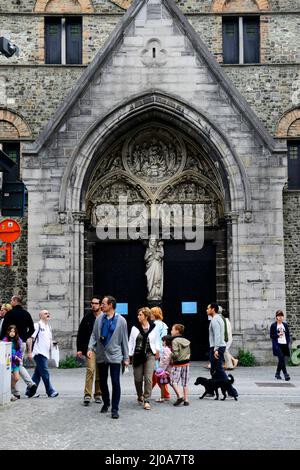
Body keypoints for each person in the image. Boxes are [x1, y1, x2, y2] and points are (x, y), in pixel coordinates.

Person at [87, 295, 129, 419]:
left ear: (110, 305)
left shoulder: (121, 321)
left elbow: (124, 340)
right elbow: (94, 335)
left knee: (115, 382)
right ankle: (106, 403)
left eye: (104, 304)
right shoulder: (99, 319)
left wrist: (126, 357)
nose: (101, 306)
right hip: (101, 354)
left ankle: (115, 409)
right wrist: (90, 348)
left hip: (115, 355)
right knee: (103, 382)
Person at [0, 295, 37, 398]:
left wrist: (3, 341)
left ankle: (15, 392)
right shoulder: (26, 314)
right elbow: (32, 329)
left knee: (12, 366)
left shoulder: (10, 314)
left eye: (12, 300)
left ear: (15, 301)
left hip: (10, 343)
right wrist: (25, 337)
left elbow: (4, 330)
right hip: (22, 343)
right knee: (18, 364)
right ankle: (27, 386)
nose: (11, 302)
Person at [129, 307, 160, 410]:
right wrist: (129, 355)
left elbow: (157, 340)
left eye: (140, 315)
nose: (138, 316)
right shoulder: (135, 328)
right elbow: (131, 342)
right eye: (138, 315)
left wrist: (157, 351)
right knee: (138, 379)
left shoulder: (153, 327)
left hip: (149, 355)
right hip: (137, 355)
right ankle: (139, 395)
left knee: (148, 378)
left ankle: (146, 399)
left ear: (146, 316)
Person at [77, 296, 102, 406]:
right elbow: (81, 333)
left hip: (102, 349)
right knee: (90, 370)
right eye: (92, 303)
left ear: (100, 305)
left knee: (100, 372)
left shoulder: (104, 317)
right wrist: (79, 349)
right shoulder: (87, 317)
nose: (93, 305)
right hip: (90, 349)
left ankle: (98, 394)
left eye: (96, 303)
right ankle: (87, 394)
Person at [27, 309, 59, 398]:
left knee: (37, 374)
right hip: (38, 353)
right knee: (45, 373)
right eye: (45, 313)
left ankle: (29, 392)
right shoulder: (37, 325)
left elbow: (48, 340)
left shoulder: (48, 327)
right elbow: (30, 338)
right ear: (40, 316)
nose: (48, 314)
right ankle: (50, 391)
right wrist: (29, 352)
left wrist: (53, 343)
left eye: (48, 313)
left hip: (45, 353)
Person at [150, 306, 170, 399]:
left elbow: (156, 339)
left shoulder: (155, 325)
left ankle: (147, 393)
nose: (150, 315)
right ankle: (165, 394)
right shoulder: (163, 325)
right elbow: (163, 340)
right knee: (159, 373)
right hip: (162, 351)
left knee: (155, 374)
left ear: (154, 314)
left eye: (151, 313)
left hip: (156, 352)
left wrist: (156, 351)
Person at [170, 324, 191, 406]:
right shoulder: (186, 341)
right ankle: (186, 400)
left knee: (173, 381)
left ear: (177, 331)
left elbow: (175, 354)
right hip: (186, 363)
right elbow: (189, 352)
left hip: (177, 364)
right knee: (185, 382)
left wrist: (170, 355)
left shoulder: (174, 341)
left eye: (172, 329)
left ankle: (180, 396)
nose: (171, 331)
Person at [2, 325, 23, 402]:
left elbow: (20, 351)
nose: (12, 333)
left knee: (16, 378)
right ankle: (9, 393)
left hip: (16, 363)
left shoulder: (18, 340)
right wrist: (15, 357)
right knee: (10, 378)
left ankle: (9, 391)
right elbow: (7, 352)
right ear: (8, 332)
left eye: (14, 331)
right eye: (11, 331)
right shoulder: (5, 340)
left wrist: (19, 357)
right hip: (8, 363)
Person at [270, 310, 291, 381]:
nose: (280, 317)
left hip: (284, 344)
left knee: (281, 360)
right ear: (276, 317)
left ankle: (277, 373)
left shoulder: (285, 325)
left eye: (281, 316)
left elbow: (287, 334)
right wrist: (278, 335)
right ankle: (286, 374)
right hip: (277, 344)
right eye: (279, 316)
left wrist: (288, 341)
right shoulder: (273, 325)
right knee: (281, 358)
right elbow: (271, 336)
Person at [154, 335, 173, 402]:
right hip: (168, 369)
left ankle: (162, 398)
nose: (161, 342)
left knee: (162, 383)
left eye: (162, 341)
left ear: (165, 342)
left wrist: (161, 369)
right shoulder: (170, 348)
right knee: (171, 383)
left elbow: (166, 360)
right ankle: (179, 395)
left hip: (164, 370)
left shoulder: (165, 349)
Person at [145, 237, 164, 301]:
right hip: (150, 267)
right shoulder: (148, 249)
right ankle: (150, 294)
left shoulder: (158, 248)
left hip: (157, 265)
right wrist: (148, 255)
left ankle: (156, 294)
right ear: (150, 242)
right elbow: (145, 258)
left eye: (154, 241)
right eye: (152, 241)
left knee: (157, 278)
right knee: (150, 281)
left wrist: (161, 247)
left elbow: (162, 255)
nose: (153, 242)